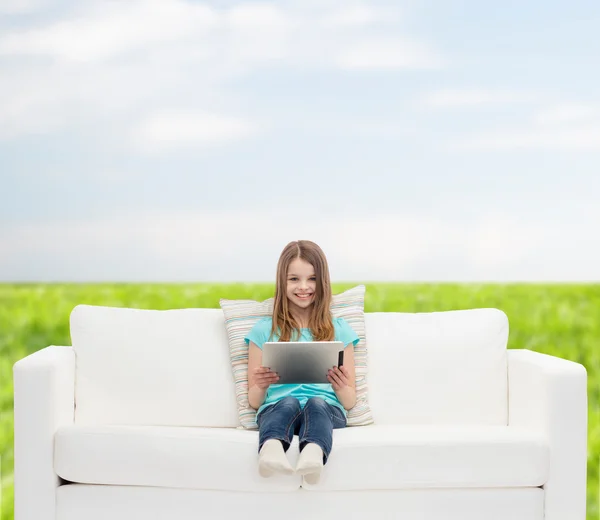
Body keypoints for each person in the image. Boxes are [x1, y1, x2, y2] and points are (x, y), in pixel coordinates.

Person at [244, 240, 360, 485]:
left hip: (327, 411)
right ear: (282, 282)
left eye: (312, 279)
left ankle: (313, 454)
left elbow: (349, 401)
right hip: (278, 409)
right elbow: (254, 401)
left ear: (323, 282)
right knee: (288, 401)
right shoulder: (264, 331)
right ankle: (271, 450)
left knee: (316, 403)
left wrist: (340, 387)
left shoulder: (339, 330)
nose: (304, 287)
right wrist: (262, 385)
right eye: (294, 279)